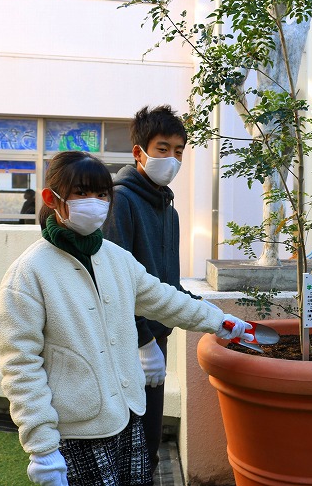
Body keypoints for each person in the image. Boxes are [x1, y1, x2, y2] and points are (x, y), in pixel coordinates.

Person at [0, 151, 253, 486]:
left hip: (129, 413)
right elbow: (20, 366)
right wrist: (42, 448)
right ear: (51, 198)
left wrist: (221, 322)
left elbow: (165, 299)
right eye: (82, 192)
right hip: (78, 429)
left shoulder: (117, 259)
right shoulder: (28, 274)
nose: (95, 202)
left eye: (102, 194)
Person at [102, 105, 195, 474]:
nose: (172, 158)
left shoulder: (168, 210)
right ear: (138, 152)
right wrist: (142, 341)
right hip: (126, 344)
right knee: (125, 445)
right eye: (162, 148)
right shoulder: (120, 201)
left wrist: (215, 319)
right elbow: (114, 282)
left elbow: (168, 285)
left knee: (149, 444)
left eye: (179, 151)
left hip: (156, 341)